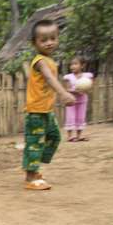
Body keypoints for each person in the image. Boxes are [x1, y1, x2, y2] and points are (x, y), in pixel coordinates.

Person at [22, 20, 75, 191]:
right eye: (43, 40)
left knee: (55, 137)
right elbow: (50, 79)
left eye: (53, 38)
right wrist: (63, 93)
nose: (49, 42)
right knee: (34, 143)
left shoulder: (50, 60)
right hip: (36, 112)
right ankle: (31, 176)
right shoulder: (40, 61)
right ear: (34, 43)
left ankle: (34, 167)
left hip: (47, 111)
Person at [62, 57, 93, 142]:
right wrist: (75, 91)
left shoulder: (87, 76)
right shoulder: (68, 77)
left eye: (75, 64)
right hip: (71, 101)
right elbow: (67, 89)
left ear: (82, 65)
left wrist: (85, 90)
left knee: (81, 117)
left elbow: (89, 87)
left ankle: (79, 136)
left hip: (82, 100)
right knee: (70, 117)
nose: (72, 66)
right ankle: (69, 136)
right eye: (71, 64)